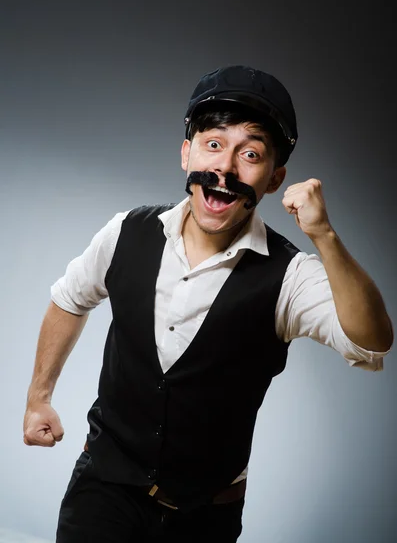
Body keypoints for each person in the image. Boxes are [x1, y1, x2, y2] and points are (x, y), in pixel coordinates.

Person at [23, 65, 393, 543]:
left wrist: (324, 236)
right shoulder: (125, 233)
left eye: (251, 154)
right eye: (213, 144)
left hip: (205, 518)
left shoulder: (290, 275)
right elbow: (68, 300)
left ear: (275, 178)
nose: (225, 168)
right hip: (103, 493)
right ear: (187, 153)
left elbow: (373, 340)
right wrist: (38, 399)